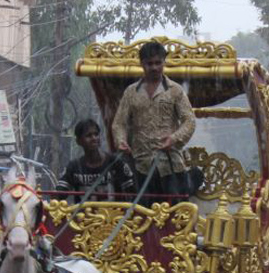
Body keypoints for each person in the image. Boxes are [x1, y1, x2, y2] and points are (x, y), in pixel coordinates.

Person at [111, 40, 197, 199]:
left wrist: (174, 138)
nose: (154, 67)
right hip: (139, 165)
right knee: (141, 213)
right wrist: (121, 141)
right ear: (142, 64)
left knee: (174, 214)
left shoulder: (175, 90)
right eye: (149, 63)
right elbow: (119, 123)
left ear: (164, 62)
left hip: (170, 166)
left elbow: (189, 121)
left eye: (158, 63)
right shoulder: (131, 92)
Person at [56, 119, 135, 203]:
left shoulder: (115, 163)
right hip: (83, 215)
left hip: (115, 215)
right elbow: (59, 194)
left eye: (96, 134)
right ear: (78, 141)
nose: (94, 138)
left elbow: (133, 192)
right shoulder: (74, 167)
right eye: (88, 136)